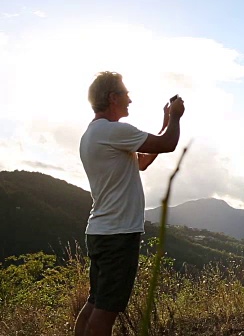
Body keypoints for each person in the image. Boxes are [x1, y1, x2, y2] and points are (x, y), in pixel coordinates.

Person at [74, 71, 185, 336]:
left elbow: (143, 161)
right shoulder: (114, 131)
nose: (130, 101)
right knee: (106, 310)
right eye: (126, 94)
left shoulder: (94, 134)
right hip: (118, 235)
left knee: (95, 303)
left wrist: (165, 121)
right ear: (113, 97)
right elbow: (168, 144)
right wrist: (177, 118)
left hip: (101, 232)